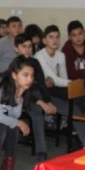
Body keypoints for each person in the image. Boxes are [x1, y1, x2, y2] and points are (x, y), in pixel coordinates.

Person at [34, 25, 85, 148]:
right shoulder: (39, 56)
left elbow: (63, 78)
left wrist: (72, 85)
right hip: (43, 93)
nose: (55, 40)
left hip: (57, 90)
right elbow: (55, 79)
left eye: (57, 37)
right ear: (44, 40)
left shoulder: (61, 55)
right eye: (51, 37)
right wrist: (75, 84)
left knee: (79, 101)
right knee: (76, 104)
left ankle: (83, 138)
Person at [13, 33, 57, 162]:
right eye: (24, 46)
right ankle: (41, 151)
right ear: (16, 48)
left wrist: (48, 101)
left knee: (61, 106)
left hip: (37, 94)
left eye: (30, 46)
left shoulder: (35, 62)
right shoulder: (16, 65)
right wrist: (41, 103)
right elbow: (22, 91)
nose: (27, 49)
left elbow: (42, 83)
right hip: (23, 97)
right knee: (37, 115)